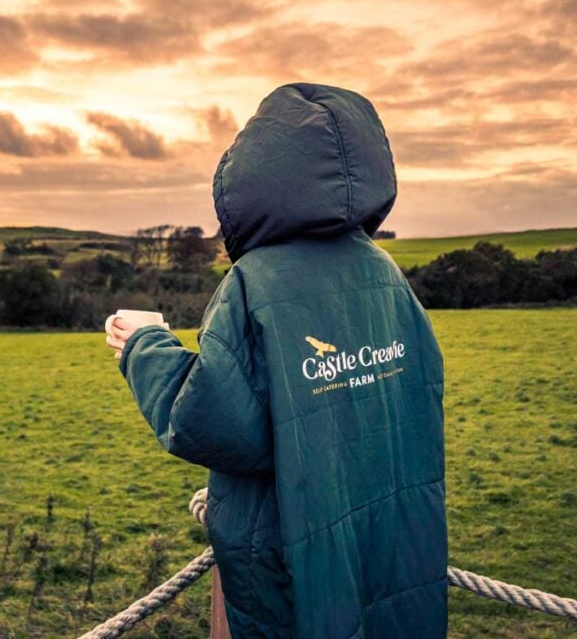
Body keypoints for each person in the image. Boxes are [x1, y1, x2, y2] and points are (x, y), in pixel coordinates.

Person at [105, 83, 447, 638]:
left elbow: (214, 422)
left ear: (251, 178)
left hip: (292, 555)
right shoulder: (385, 273)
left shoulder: (254, 281)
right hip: (390, 542)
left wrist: (144, 345)